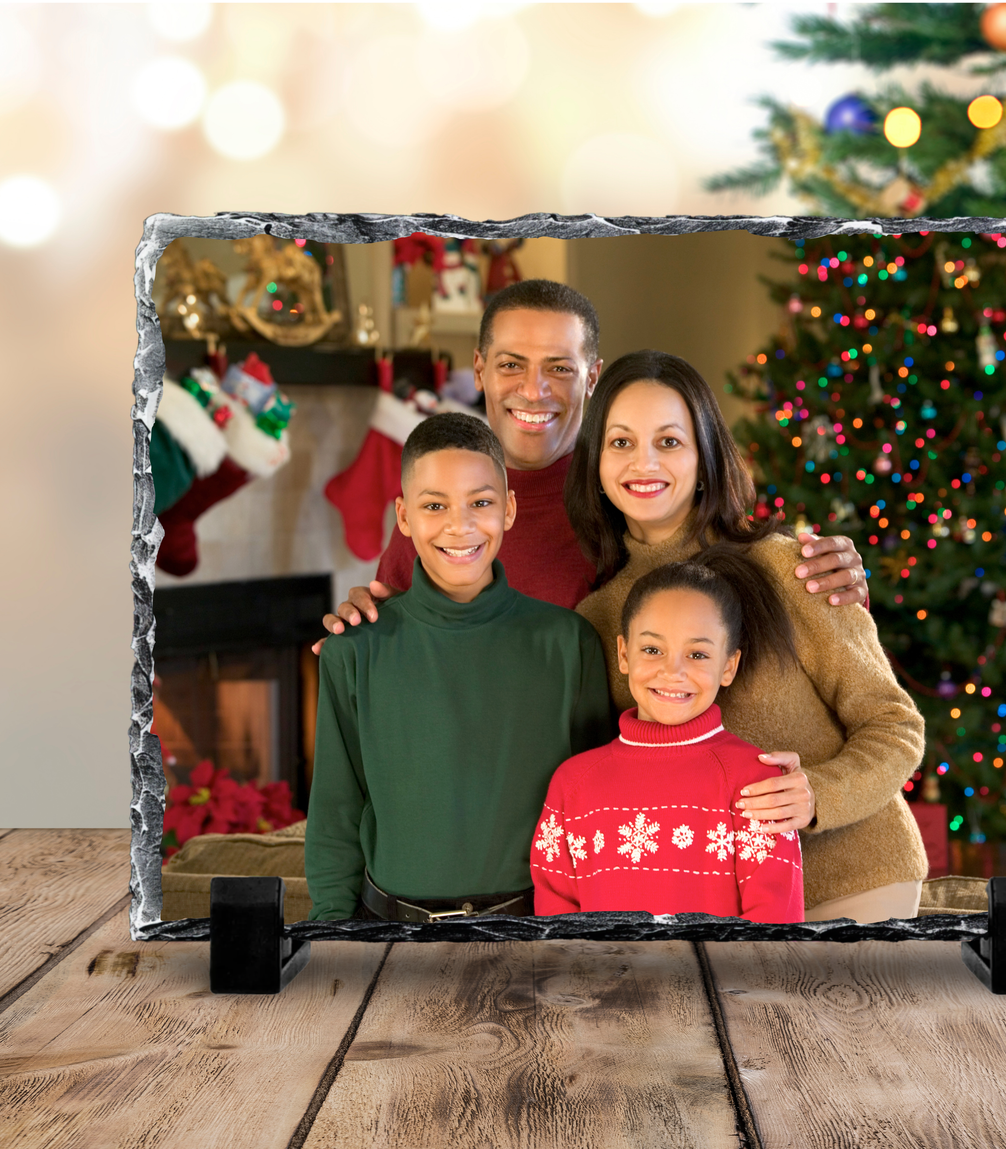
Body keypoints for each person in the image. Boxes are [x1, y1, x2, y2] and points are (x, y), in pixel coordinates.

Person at [316, 279, 871, 836]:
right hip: (486, 826)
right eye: (512, 364)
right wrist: (364, 618)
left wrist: (832, 567)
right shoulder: (443, 516)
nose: (534, 391)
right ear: (479, 369)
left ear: (593, 375)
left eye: (559, 367)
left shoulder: (628, 488)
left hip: (631, 828)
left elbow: (724, 554)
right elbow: (402, 654)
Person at [566, 350, 929, 923]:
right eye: (620, 442)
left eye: (668, 442)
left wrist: (819, 793)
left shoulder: (790, 567)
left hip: (850, 882)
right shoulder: (597, 617)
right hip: (708, 909)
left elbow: (895, 725)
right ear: (595, 464)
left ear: (705, 458)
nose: (643, 462)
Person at [305, 413, 614, 922]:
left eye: (481, 502)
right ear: (403, 517)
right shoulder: (354, 649)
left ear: (509, 508)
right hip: (389, 929)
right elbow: (336, 811)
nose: (460, 525)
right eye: (434, 506)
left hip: (534, 929)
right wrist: (333, 932)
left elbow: (595, 810)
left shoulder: (568, 643)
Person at [532, 548, 804, 924]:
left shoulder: (756, 784)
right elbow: (556, 922)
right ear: (624, 654)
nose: (672, 671)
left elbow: (775, 928)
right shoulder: (571, 784)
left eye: (697, 655)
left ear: (729, 666)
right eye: (652, 649)